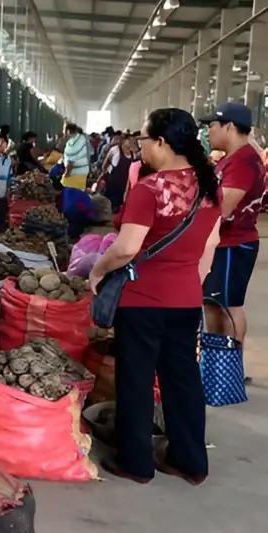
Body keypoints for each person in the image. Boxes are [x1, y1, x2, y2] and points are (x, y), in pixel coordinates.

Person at [89, 108, 221, 486]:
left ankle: (137, 462)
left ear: (161, 143)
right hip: (185, 300)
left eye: (144, 140)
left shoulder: (150, 189)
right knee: (183, 380)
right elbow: (208, 248)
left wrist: (98, 270)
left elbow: (127, 247)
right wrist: (190, 283)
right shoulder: (211, 187)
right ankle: (191, 461)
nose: (141, 147)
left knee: (136, 379)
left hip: (143, 300)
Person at [198, 102, 265, 374]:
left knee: (228, 306)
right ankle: (216, 364)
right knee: (213, 304)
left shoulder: (243, 161)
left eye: (212, 126)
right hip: (224, 243)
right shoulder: (230, 158)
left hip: (233, 244)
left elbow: (223, 208)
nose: (208, 132)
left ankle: (230, 369)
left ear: (229, 126)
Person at [103, 134, 138, 212]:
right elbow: (105, 163)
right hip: (113, 180)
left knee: (121, 203)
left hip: (125, 181)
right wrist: (104, 174)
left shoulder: (133, 153)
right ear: (123, 141)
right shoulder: (115, 149)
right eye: (130, 140)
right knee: (111, 202)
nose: (132, 142)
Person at [61, 122, 91, 190]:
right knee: (78, 195)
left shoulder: (73, 144)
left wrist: (65, 177)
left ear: (68, 132)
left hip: (73, 176)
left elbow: (70, 164)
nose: (63, 133)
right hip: (81, 175)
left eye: (63, 130)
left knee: (71, 197)